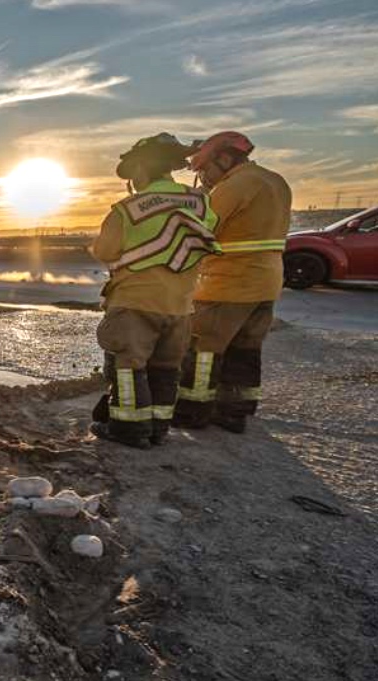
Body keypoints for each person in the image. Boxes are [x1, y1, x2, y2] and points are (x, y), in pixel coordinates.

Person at [88, 133, 219, 448]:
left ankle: (129, 430)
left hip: (135, 300)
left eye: (134, 174)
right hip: (180, 305)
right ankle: (159, 427)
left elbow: (106, 250)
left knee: (128, 366)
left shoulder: (127, 209)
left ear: (143, 170)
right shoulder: (201, 203)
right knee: (165, 368)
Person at [174, 132, 292, 433]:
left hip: (228, 284)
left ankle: (193, 410)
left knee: (203, 349)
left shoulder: (234, 186)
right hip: (267, 283)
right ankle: (234, 412)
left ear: (224, 159)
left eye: (204, 169)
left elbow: (201, 231)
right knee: (245, 351)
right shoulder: (276, 181)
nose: (203, 177)